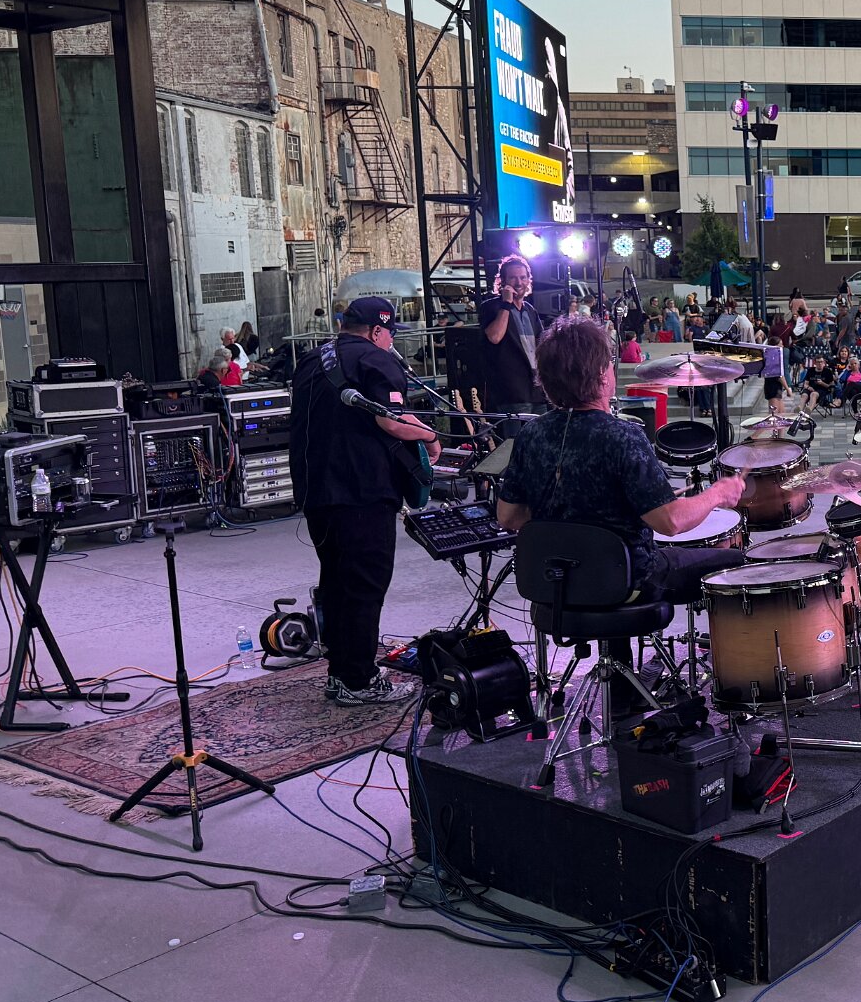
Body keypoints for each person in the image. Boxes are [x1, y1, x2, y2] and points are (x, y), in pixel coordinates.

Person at [494, 317, 747, 604]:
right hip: (628, 581)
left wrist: (572, 517)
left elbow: (508, 516)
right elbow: (671, 522)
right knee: (735, 561)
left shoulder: (530, 434)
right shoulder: (623, 437)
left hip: (555, 581)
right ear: (602, 375)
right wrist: (718, 493)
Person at [288, 296, 441, 706]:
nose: (391, 341)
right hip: (362, 491)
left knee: (336, 582)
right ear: (376, 330)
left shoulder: (310, 360)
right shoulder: (377, 359)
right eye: (390, 333)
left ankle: (341, 673)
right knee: (364, 586)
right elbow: (392, 420)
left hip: (317, 492)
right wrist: (430, 436)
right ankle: (359, 681)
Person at [477, 254, 543, 414]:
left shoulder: (530, 310)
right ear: (503, 281)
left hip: (536, 388)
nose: (519, 283)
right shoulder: (491, 307)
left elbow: (542, 343)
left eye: (523, 277)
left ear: (528, 280)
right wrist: (506, 304)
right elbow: (494, 337)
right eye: (513, 278)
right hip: (511, 390)